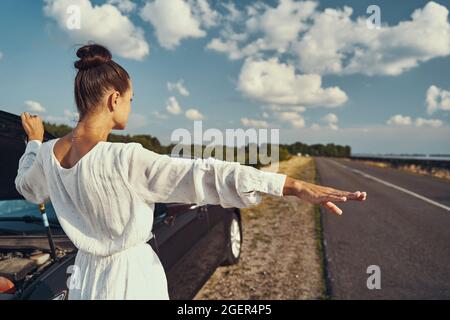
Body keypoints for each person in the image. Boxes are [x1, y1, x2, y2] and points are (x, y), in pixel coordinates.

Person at [15, 44, 367, 300]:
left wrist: (33, 141)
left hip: (83, 282)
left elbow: (26, 187)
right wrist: (292, 185)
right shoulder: (126, 159)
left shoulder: (46, 154)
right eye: (132, 99)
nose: (131, 108)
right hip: (130, 282)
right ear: (114, 100)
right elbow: (209, 175)